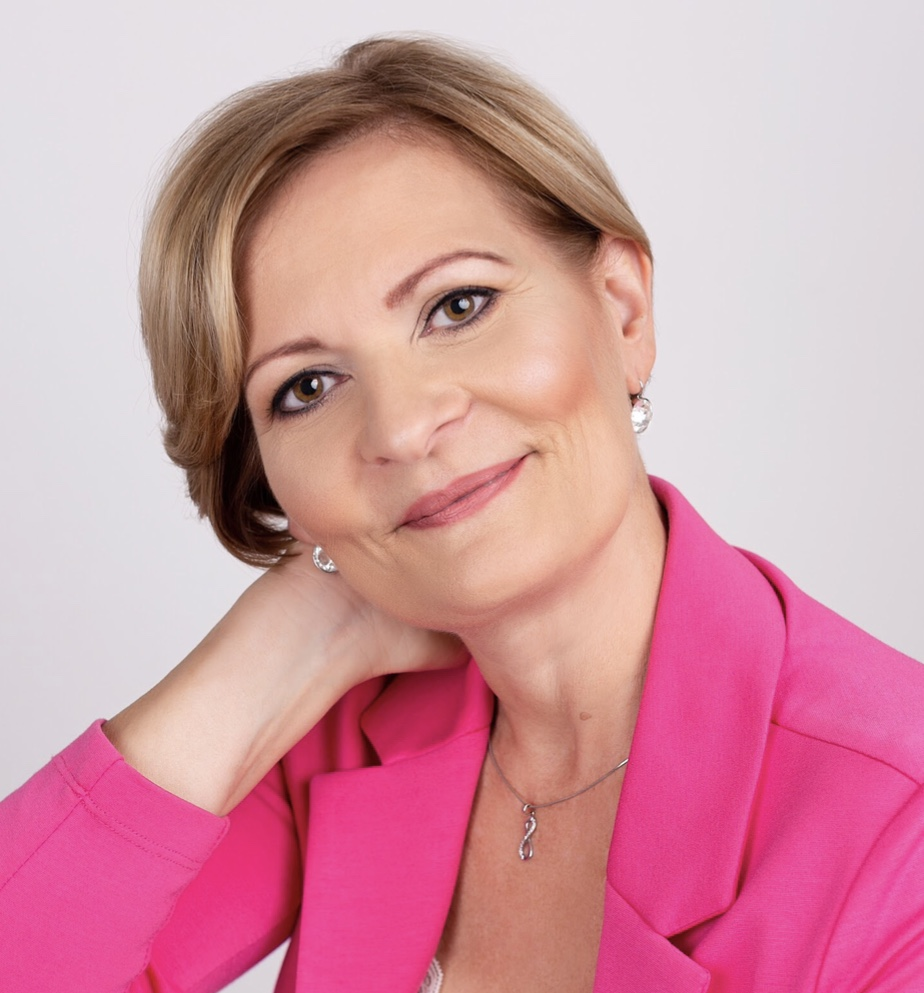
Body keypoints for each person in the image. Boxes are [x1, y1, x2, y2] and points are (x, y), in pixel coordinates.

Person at [2, 34, 924, 993]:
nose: (403, 428)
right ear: (270, 477)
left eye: (458, 305)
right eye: (307, 386)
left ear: (622, 310)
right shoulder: (345, 732)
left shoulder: (897, 832)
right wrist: (275, 650)